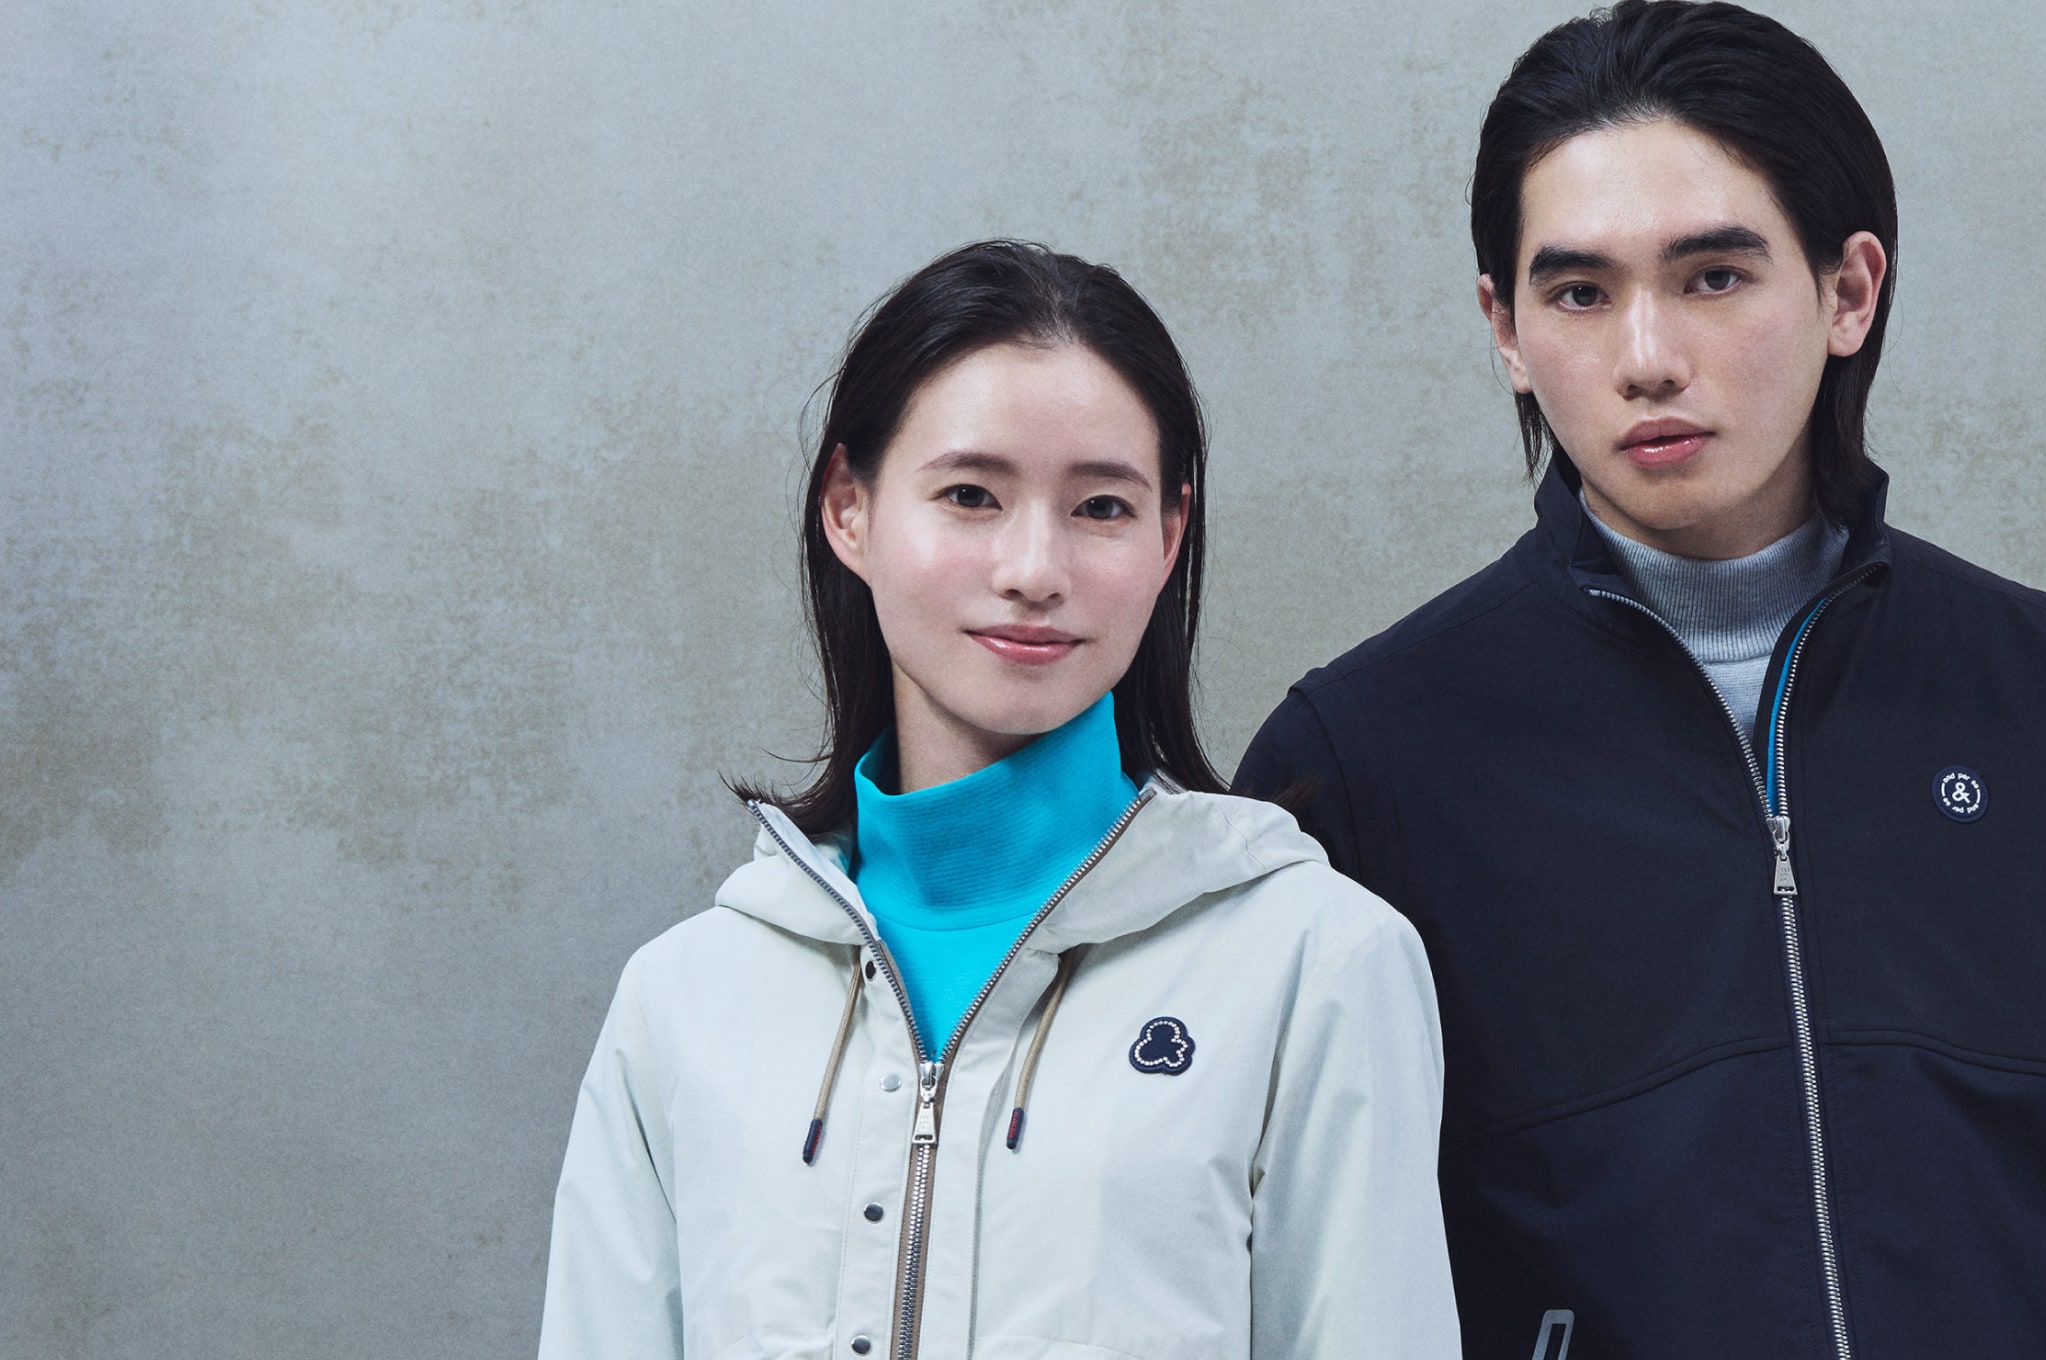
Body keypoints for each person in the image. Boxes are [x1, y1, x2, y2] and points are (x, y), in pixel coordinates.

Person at [1236, 5, 2046, 1359]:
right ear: (1504, 328)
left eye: (1713, 277)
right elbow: (1262, 1281)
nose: (1648, 356)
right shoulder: (1367, 766)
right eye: (1579, 293)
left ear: (1848, 292)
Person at [540, 241, 1458, 1360]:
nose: (1035, 569)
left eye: (1102, 507)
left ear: (1170, 534)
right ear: (849, 509)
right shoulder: (684, 999)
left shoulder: (1318, 965)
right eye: (971, 495)